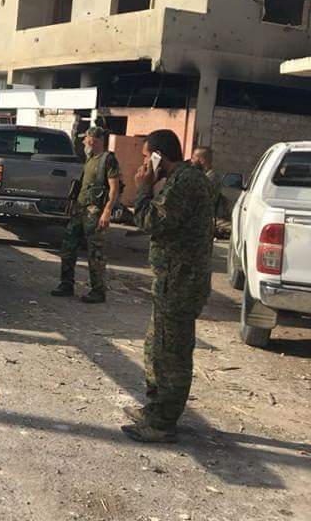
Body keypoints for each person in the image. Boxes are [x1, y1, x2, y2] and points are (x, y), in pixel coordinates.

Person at [123, 129, 214, 443]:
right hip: (173, 280)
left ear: (160, 156)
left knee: (171, 354)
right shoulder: (182, 180)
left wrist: (144, 188)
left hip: (181, 282)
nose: (145, 164)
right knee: (156, 348)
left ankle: (163, 422)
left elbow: (151, 221)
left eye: (148, 157)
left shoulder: (185, 183)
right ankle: (156, 409)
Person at [51, 126, 120, 304]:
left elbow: (114, 188)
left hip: (95, 212)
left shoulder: (108, 160)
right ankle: (66, 284)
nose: (83, 142)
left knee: (95, 252)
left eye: (86, 138)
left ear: (93, 139)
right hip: (80, 210)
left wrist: (106, 212)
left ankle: (98, 291)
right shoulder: (90, 159)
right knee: (68, 247)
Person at [191, 145, 231, 236]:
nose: (191, 161)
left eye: (194, 158)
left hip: (203, 222)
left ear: (202, 160)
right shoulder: (204, 176)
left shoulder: (210, 178)